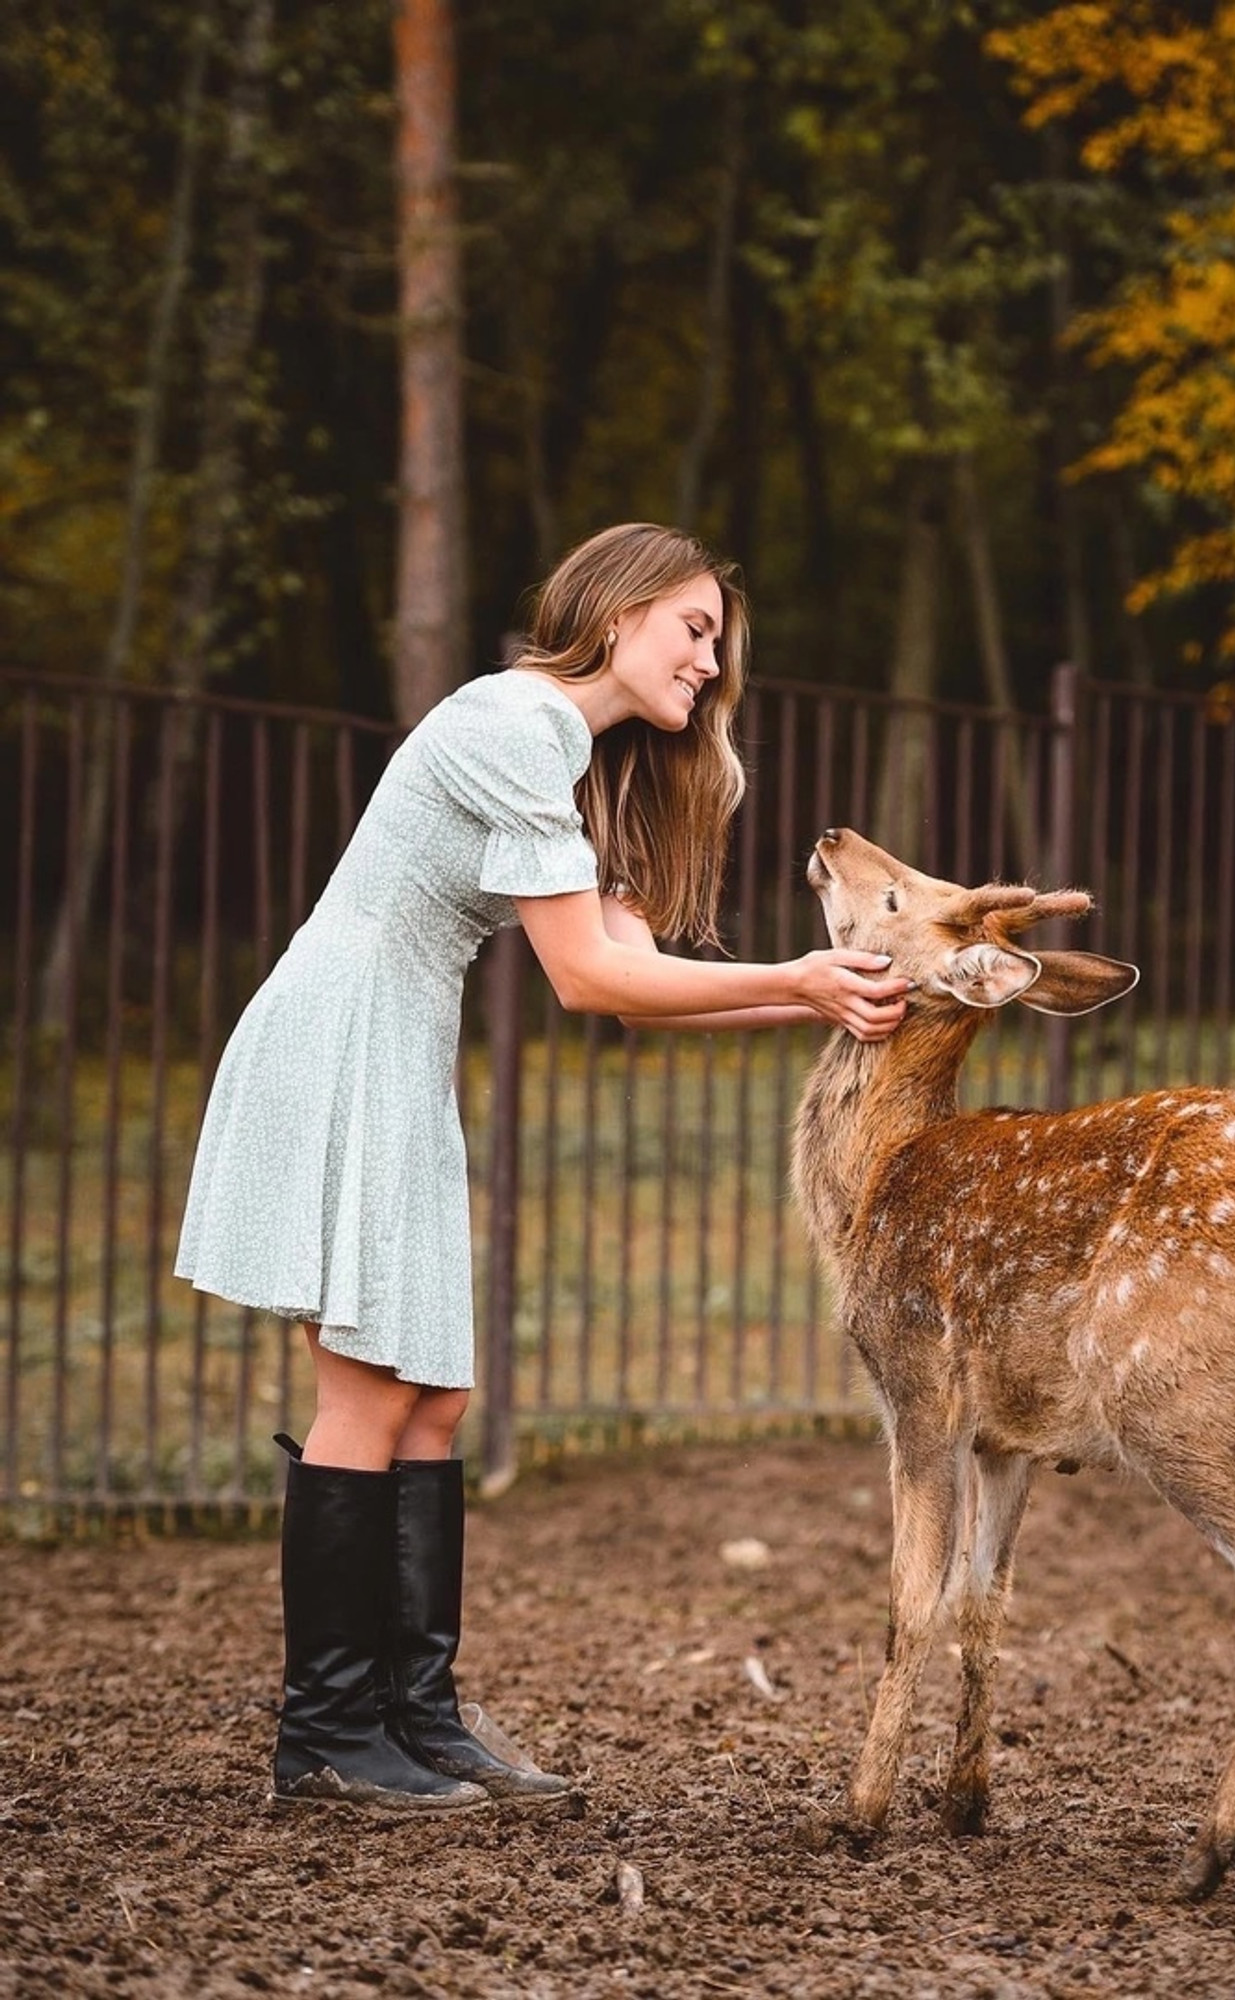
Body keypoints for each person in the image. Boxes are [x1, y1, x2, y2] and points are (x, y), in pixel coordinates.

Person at [175, 523, 910, 1813]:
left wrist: (823, 999)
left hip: (399, 1044)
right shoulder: (513, 726)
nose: (708, 658)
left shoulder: (573, 761)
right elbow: (586, 976)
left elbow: (634, 992)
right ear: (617, 612)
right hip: (341, 1033)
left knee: (435, 1403)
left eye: (717, 642)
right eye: (692, 628)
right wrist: (795, 977)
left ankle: (418, 1717)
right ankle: (329, 1737)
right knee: (368, 1392)